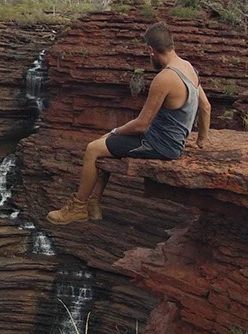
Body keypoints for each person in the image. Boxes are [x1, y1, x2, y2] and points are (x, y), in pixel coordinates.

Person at [47, 22, 211, 225]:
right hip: (171, 141)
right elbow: (206, 107)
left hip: (160, 145)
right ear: (171, 44)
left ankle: (78, 207)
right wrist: (201, 140)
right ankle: (94, 203)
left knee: (92, 149)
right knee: (106, 143)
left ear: (150, 50)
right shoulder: (189, 68)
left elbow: (142, 124)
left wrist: (115, 130)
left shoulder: (165, 78)